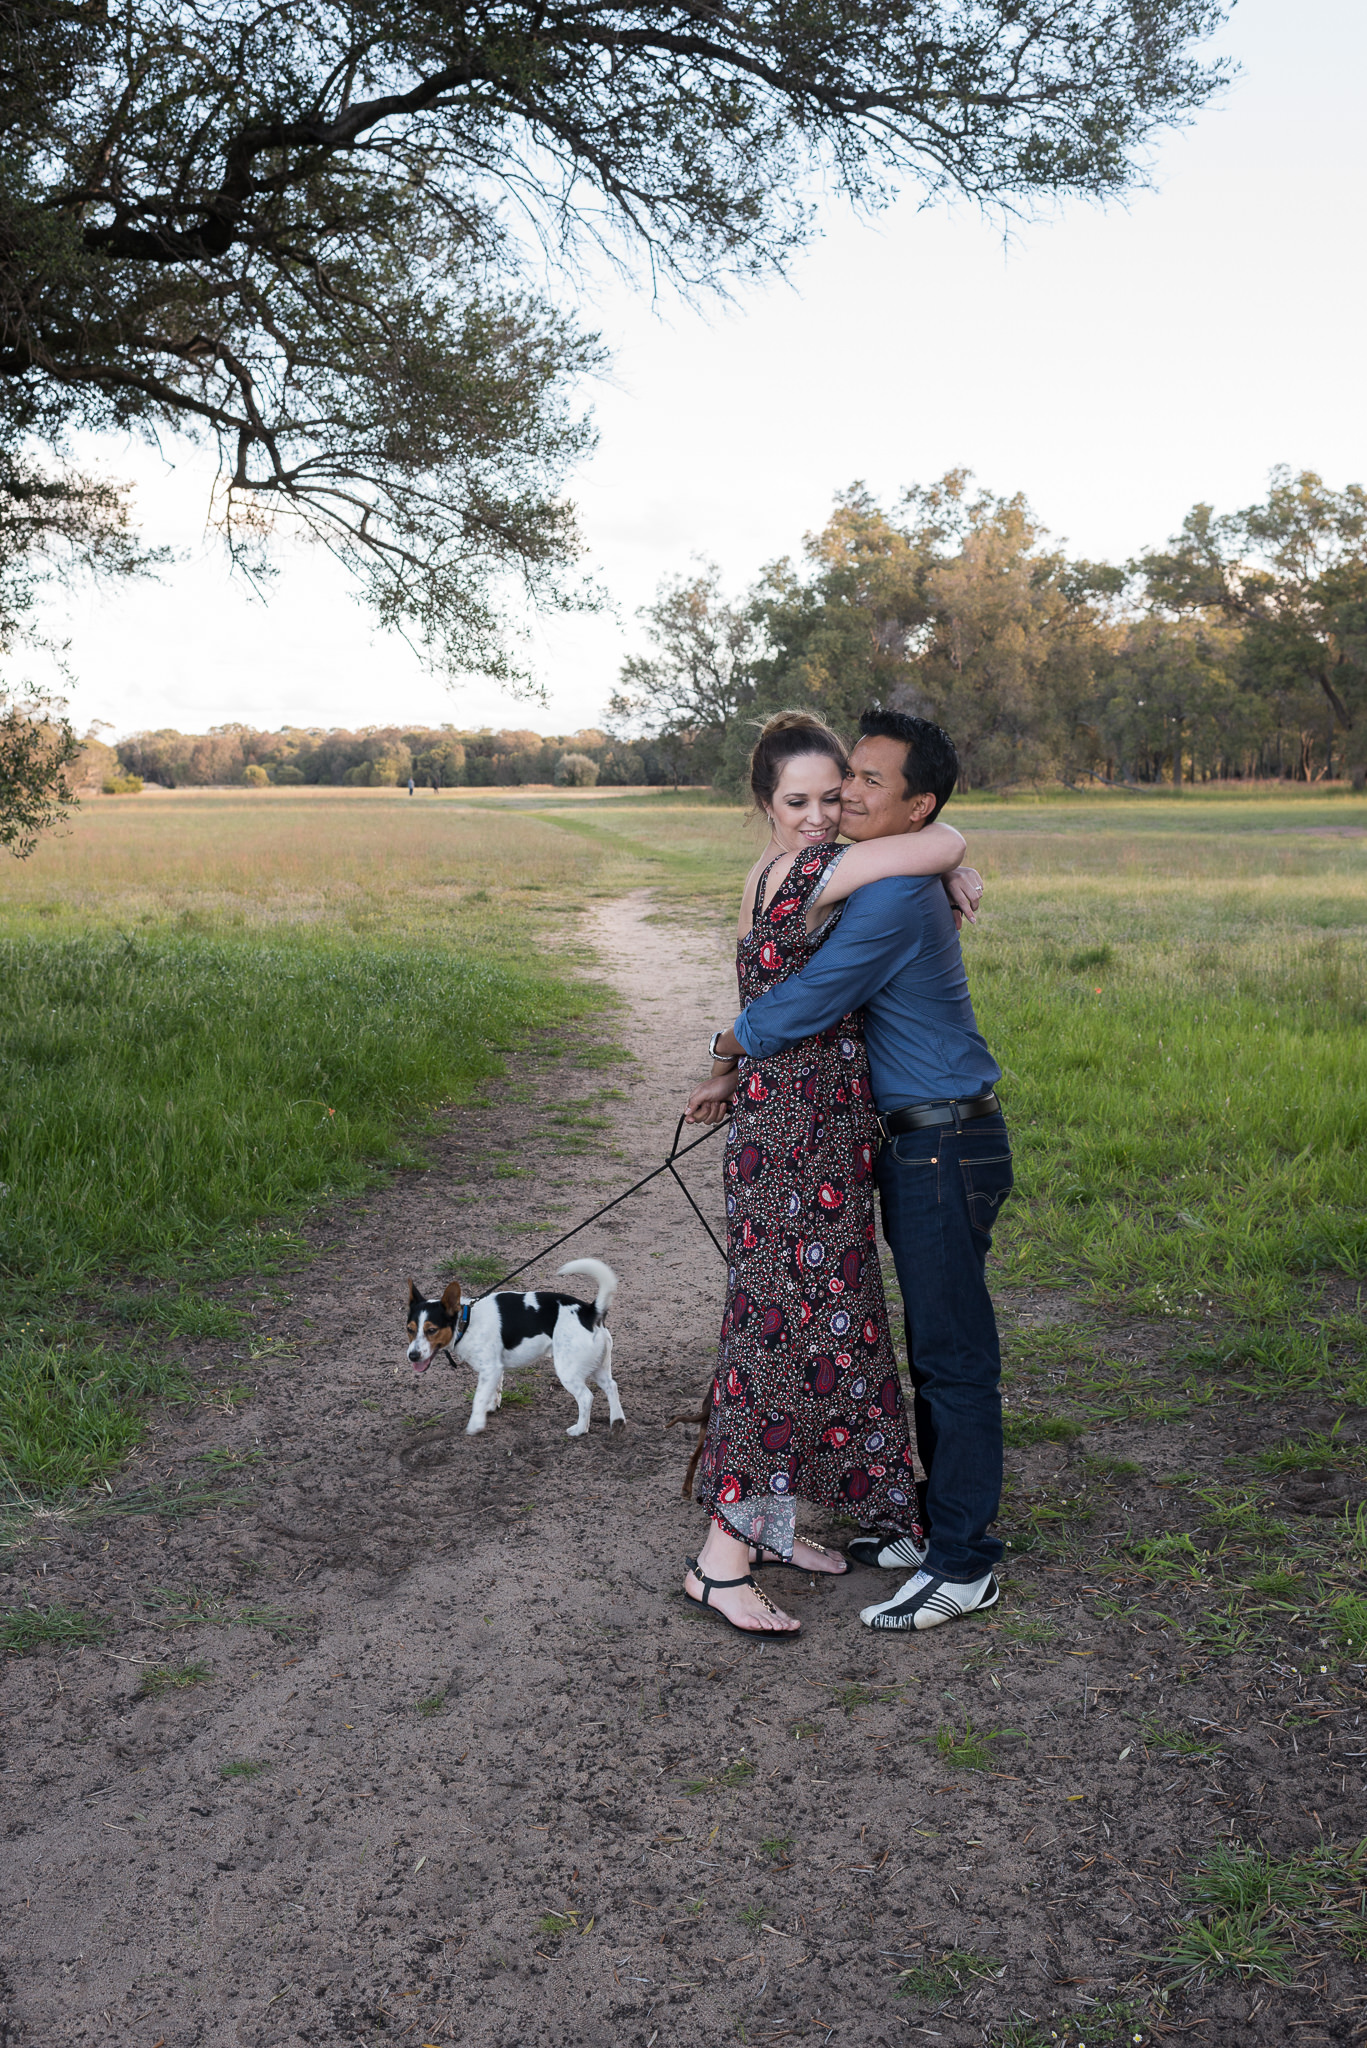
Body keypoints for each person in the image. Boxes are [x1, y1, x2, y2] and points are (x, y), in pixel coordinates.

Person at [689, 708, 1011, 1636]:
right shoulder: (850, 873)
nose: (834, 808)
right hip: (829, 1135)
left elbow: (815, 993)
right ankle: (757, 1543)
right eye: (815, 795)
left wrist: (944, 853)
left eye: (853, 789)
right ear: (764, 804)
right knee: (797, 1324)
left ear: (909, 803)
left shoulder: (881, 884)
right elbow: (806, 991)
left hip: (922, 1137)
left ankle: (959, 1558)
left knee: (929, 1350)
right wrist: (947, 853)